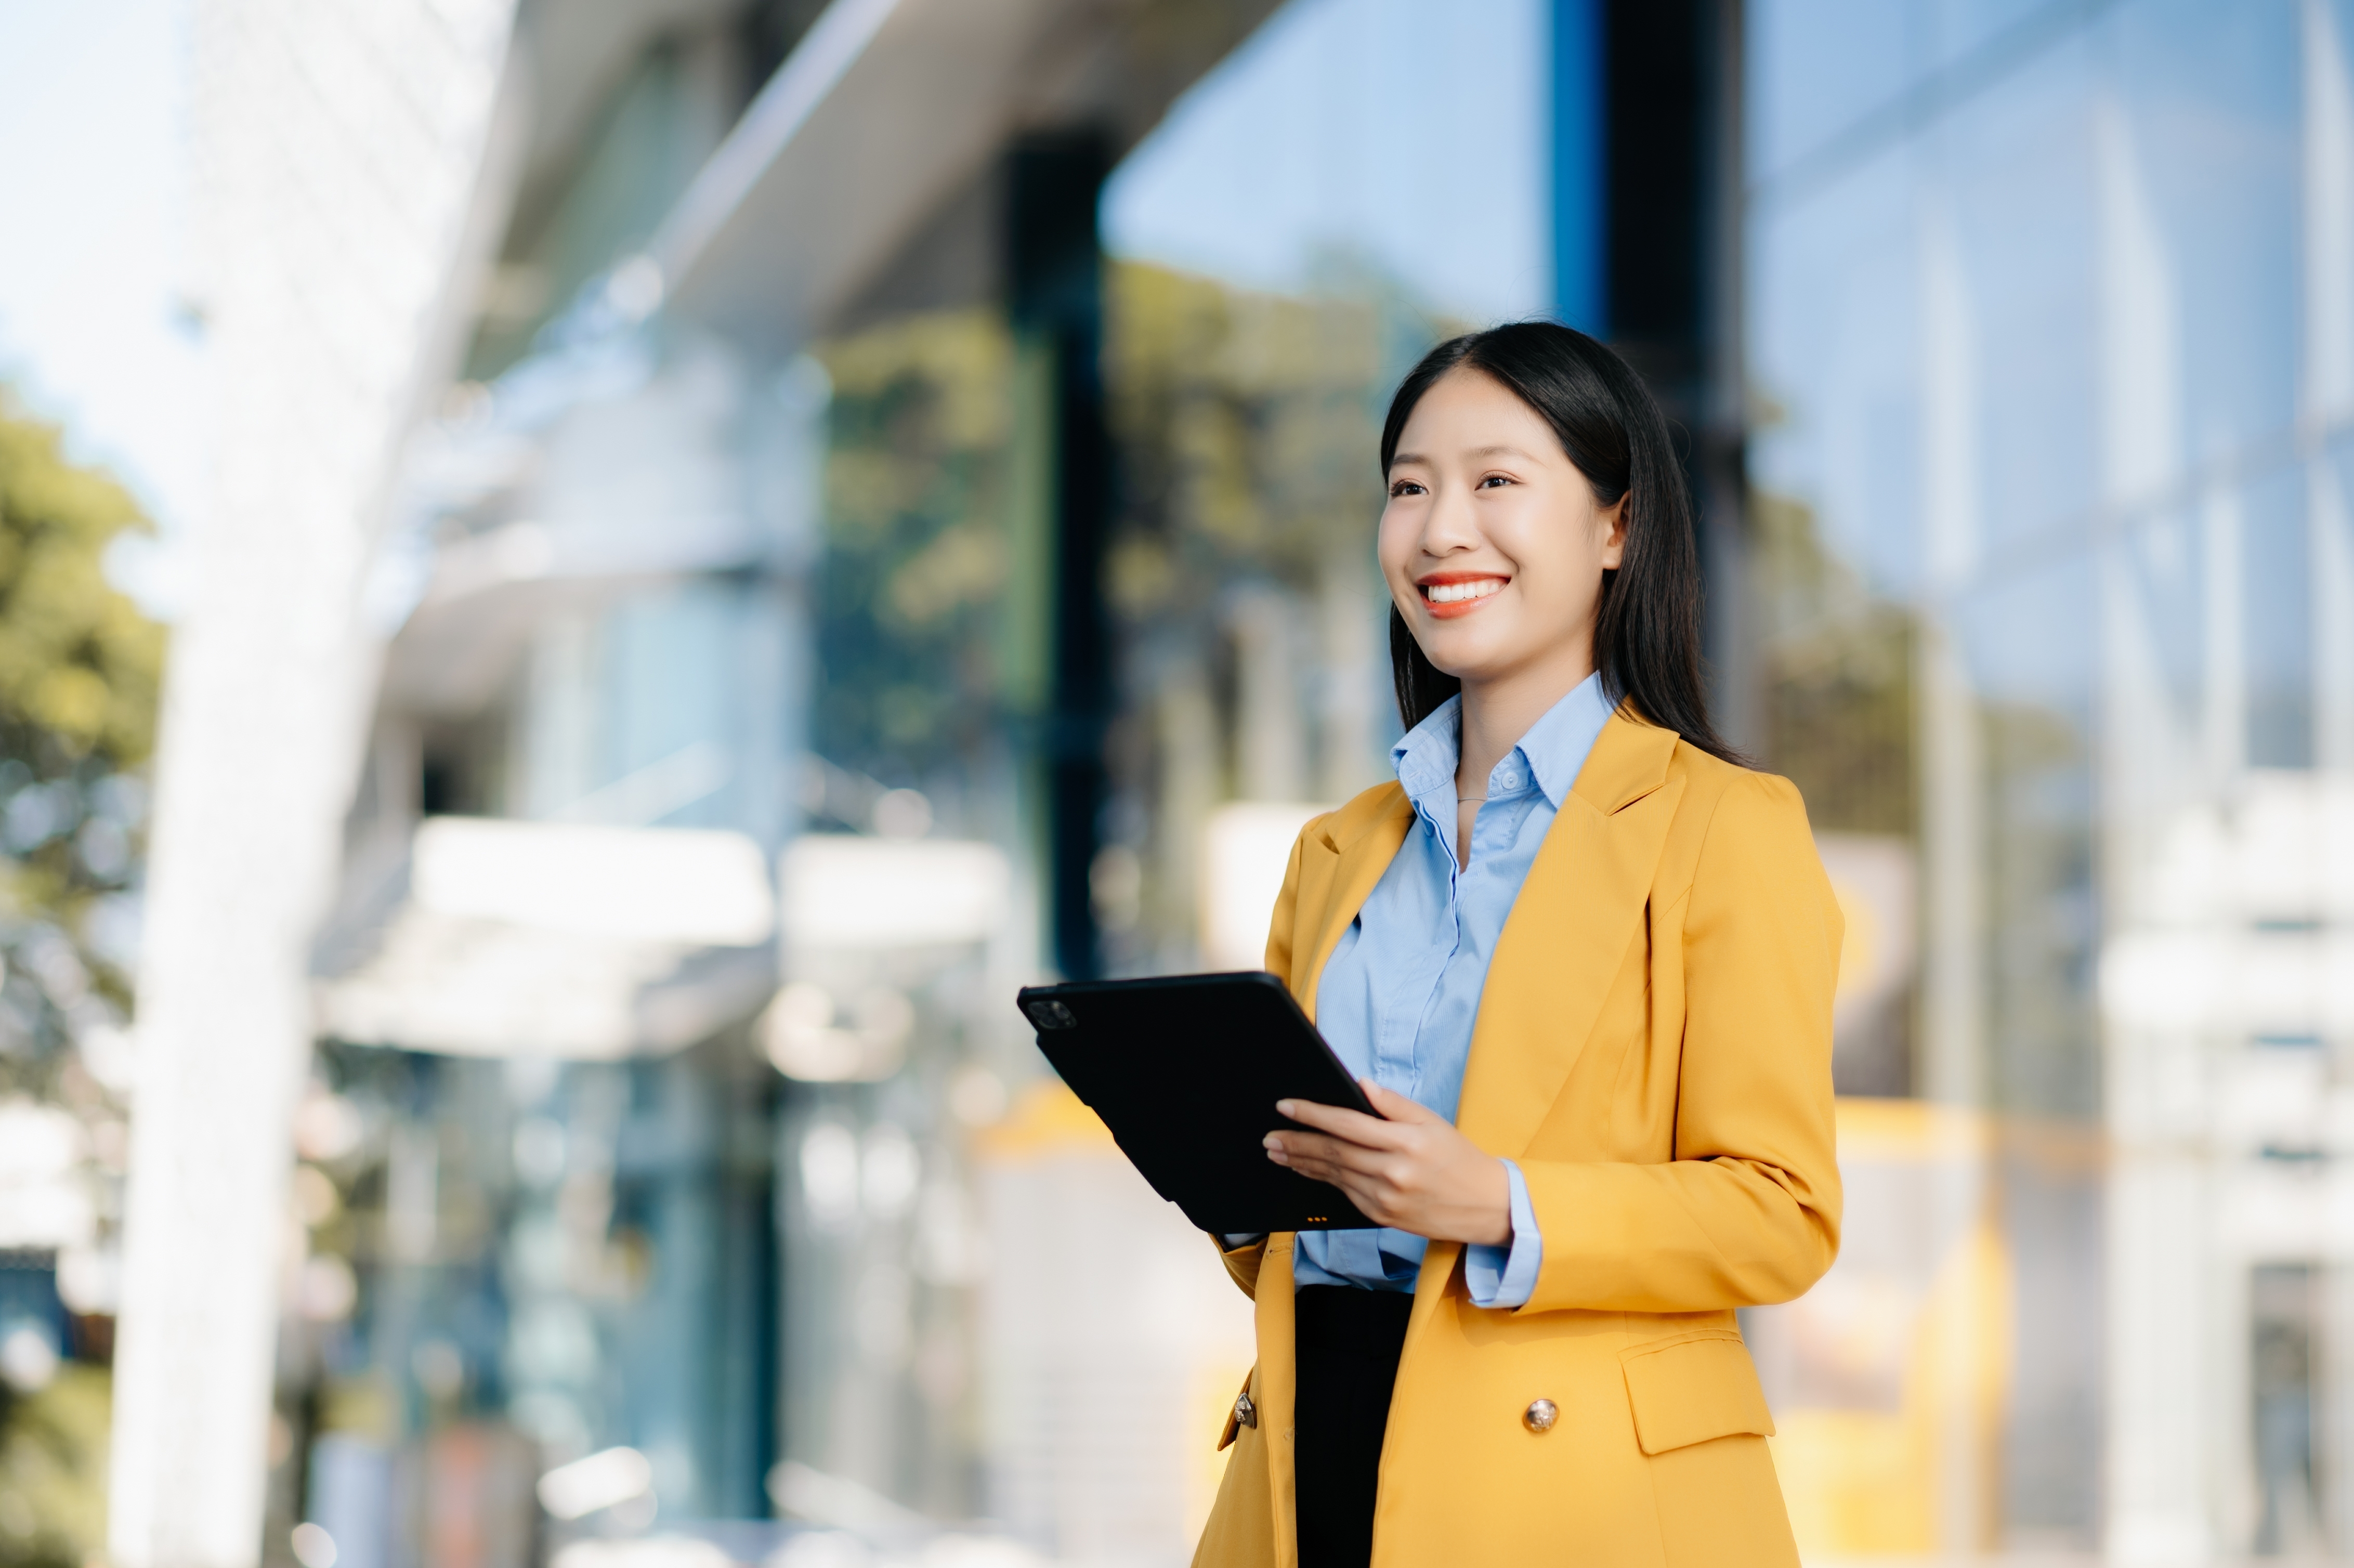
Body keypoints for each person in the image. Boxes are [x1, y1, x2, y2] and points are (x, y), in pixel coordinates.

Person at [1190, 322, 1842, 1568]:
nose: (1439, 529)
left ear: (1614, 528)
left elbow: (1780, 1213)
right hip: (1304, 1466)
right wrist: (1219, 1166)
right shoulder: (1335, 851)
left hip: (1580, 1497)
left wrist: (1495, 1201)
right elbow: (1274, 1231)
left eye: (1495, 480)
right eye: (1407, 486)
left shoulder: (1721, 827)